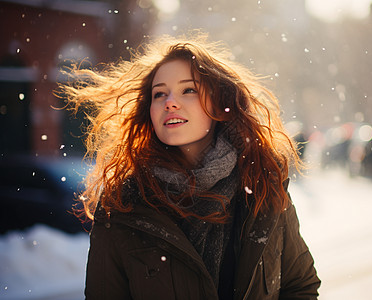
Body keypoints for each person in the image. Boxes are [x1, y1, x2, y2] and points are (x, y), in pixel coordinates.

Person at [59, 33, 320, 300]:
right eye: (159, 94)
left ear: (220, 102)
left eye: (188, 90)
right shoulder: (123, 204)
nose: (170, 102)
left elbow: (300, 285)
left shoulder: (262, 185)